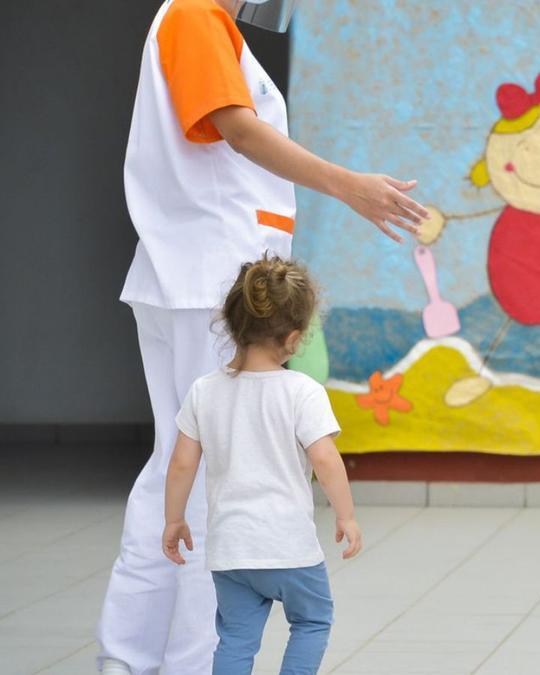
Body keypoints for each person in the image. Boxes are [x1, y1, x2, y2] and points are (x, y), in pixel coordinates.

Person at [99, 0, 428, 672]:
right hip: (208, 282)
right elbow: (239, 132)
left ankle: (129, 656)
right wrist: (350, 187)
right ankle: (178, 659)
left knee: (175, 475)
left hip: (192, 279)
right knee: (211, 483)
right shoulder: (193, 14)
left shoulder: (198, 23)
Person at [162, 257, 359, 673]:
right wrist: (346, 515)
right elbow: (324, 457)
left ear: (234, 324)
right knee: (312, 621)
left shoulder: (205, 391)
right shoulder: (302, 392)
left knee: (235, 637)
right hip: (289, 548)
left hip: (231, 550)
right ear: (293, 337)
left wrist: (173, 519)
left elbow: (181, 464)